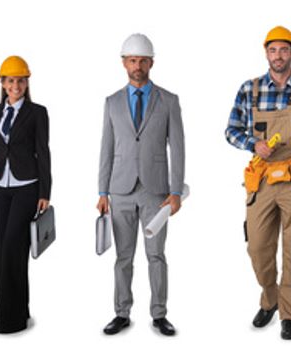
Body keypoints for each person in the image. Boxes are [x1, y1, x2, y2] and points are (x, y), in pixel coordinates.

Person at [225, 26, 291, 340]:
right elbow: (231, 130)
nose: (278, 56)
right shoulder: (249, 89)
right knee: (258, 247)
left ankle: (290, 314)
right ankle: (271, 298)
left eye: (284, 50)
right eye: (273, 50)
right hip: (260, 179)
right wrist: (251, 144)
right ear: (266, 53)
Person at [99, 33, 187, 337]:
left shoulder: (169, 101)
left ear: (151, 62)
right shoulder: (111, 102)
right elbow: (106, 148)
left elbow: (177, 148)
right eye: (132, 60)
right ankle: (121, 312)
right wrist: (101, 192)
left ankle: (159, 314)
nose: (138, 66)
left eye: (143, 60)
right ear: (124, 63)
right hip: (120, 190)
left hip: (156, 191)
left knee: (156, 256)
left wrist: (176, 191)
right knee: (123, 256)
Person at [0, 55, 50, 335]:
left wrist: (45, 190)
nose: (15, 85)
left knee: (13, 249)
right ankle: (16, 311)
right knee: (0, 250)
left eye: (20, 80)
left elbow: (43, 151)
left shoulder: (37, 112)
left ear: (26, 83)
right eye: (10, 80)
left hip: (27, 186)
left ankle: (11, 320)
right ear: (3, 83)